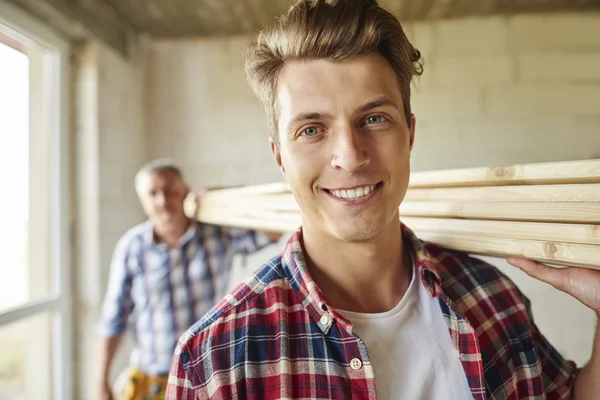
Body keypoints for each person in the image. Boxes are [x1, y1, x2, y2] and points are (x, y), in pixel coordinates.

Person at [165, 1, 600, 399]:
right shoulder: (216, 362)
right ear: (280, 157)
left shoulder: (493, 299)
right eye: (312, 129)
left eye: (374, 119)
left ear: (409, 135)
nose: (350, 157)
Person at [94, 159, 281, 400]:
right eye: (153, 193)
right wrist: (101, 380)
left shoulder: (217, 234)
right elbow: (113, 319)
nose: (163, 200)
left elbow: (272, 231)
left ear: (185, 191)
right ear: (143, 201)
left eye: (170, 190)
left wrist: (224, 200)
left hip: (205, 373)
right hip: (152, 378)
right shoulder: (132, 248)